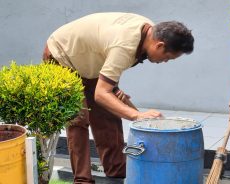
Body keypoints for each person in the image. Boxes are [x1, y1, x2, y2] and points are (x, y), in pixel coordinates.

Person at [43, 12, 194, 183]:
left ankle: (116, 172)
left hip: (89, 61)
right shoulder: (126, 45)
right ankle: (82, 180)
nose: (165, 62)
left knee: (108, 112)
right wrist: (137, 115)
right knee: (78, 118)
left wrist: (114, 92)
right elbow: (101, 93)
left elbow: (108, 67)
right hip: (62, 55)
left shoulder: (150, 32)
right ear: (159, 45)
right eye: (168, 57)